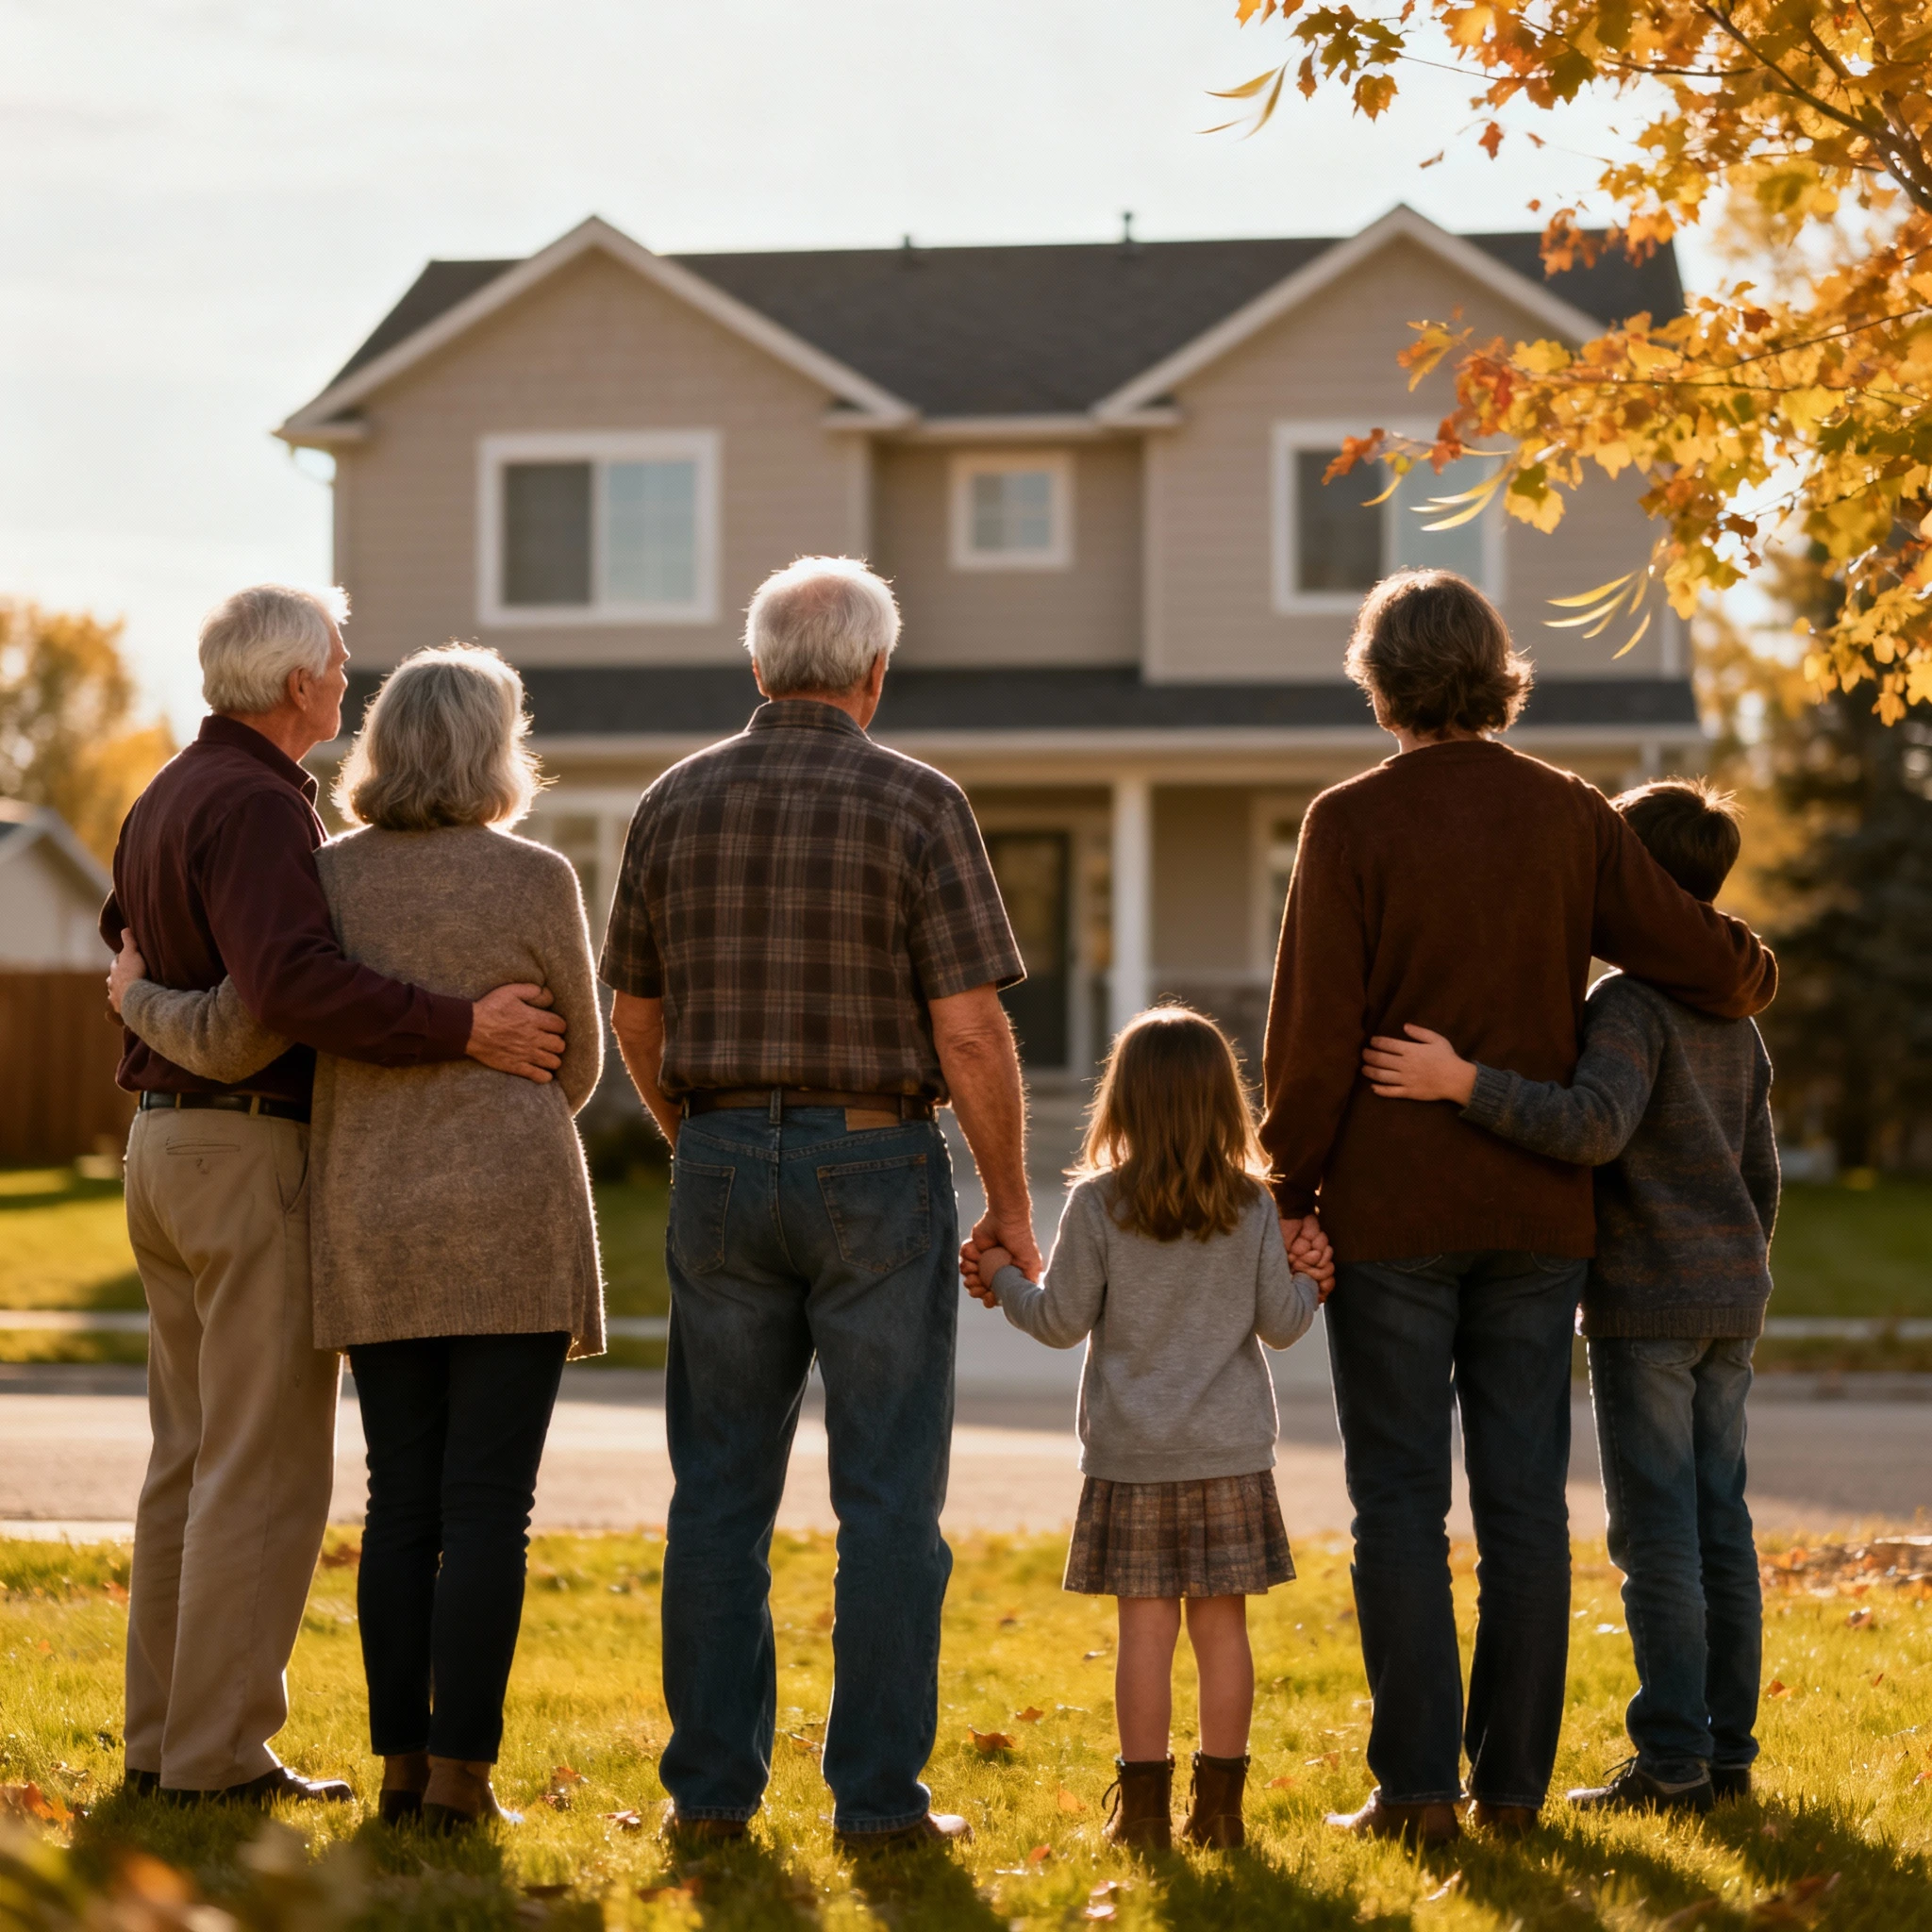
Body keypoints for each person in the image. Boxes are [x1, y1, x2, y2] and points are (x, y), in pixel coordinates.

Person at [1259, 569, 1777, 1847]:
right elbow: (1702, 954)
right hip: (1541, 1217)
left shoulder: (1349, 820)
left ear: (1381, 680)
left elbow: (1314, 1034)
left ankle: (1417, 1788)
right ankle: (1513, 1791)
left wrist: (1290, 1188)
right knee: (1524, 1509)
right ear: (1497, 672)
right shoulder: (1570, 816)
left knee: (1397, 1504)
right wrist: (1754, 969)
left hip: (1391, 1211)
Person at [111, 644, 604, 1831]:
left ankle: (392, 1772)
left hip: (367, 1212)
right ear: (498, 749)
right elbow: (577, 1062)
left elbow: (260, 1001)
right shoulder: (538, 877)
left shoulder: (329, 873)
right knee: (490, 1510)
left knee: (400, 1504)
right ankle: (460, 1781)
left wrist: (132, 999)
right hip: (513, 1218)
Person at [600, 555, 1035, 1851]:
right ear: (874, 672)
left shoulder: (672, 802)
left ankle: (711, 1797)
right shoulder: (918, 803)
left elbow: (636, 1015)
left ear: (757, 669)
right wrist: (1009, 1203)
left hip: (725, 1162)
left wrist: (704, 1138)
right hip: (876, 1166)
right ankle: (879, 1804)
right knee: (890, 1498)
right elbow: (969, 1032)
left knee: (718, 1499)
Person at [1360, 777, 1776, 1816]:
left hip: (1649, 1309)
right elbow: (1759, 1170)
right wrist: (1734, 1263)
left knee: (1658, 1536)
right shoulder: (1734, 1014)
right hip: (1731, 1301)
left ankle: (1671, 1760)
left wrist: (1463, 1083)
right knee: (1720, 1520)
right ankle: (1728, 1751)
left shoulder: (1630, 1005)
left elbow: (1592, 1125)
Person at [963, 1007, 1319, 1852]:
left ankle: (1147, 1816)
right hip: (1230, 1454)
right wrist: (1314, 1282)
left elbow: (1057, 1321)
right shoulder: (1251, 1204)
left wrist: (1005, 1279)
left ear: (1121, 1102)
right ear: (1224, 1105)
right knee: (1223, 1630)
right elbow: (1282, 1323)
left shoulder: (1098, 1205)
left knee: (1145, 1634)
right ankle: (1222, 1815)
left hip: (1131, 1458)